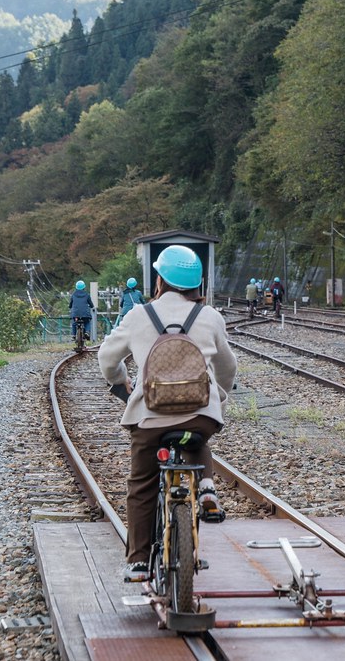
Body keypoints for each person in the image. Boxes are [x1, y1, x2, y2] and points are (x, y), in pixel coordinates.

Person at [98, 245, 238, 582]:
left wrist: (121, 381)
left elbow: (107, 359)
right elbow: (228, 367)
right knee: (197, 439)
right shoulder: (210, 317)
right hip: (199, 416)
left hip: (150, 418)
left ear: (159, 280)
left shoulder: (138, 316)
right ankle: (206, 487)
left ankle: (138, 561)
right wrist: (217, 397)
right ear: (197, 284)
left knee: (142, 483)